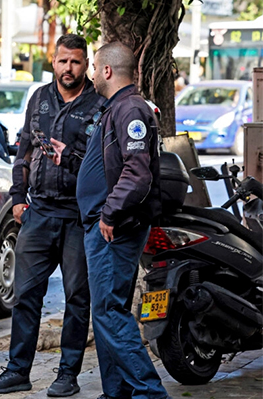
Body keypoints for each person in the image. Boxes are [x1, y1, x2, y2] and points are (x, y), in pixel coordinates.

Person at [0, 34, 103, 397]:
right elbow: (24, 149)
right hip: (39, 213)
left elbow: (103, 168)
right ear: (53, 60)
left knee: (77, 299)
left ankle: (68, 375)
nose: (69, 68)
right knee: (25, 296)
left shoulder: (99, 104)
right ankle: (17, 370)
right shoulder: (38, 98)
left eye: (76, 62)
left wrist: (70, 158)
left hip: (79, 217)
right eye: (63, 61)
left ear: (86, 65)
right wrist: (18, 198)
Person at [50, 42, 171, 399]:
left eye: (93, 68)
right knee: (105, 313)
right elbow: (108, 165)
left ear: (105, 71)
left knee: (108, 311)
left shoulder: (130, 109)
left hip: (114, 228)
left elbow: (137, 173)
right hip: (102, 226)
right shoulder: (116, 108)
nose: (89, 75)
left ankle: (149, 392)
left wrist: (110, 212)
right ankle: (115, 391)